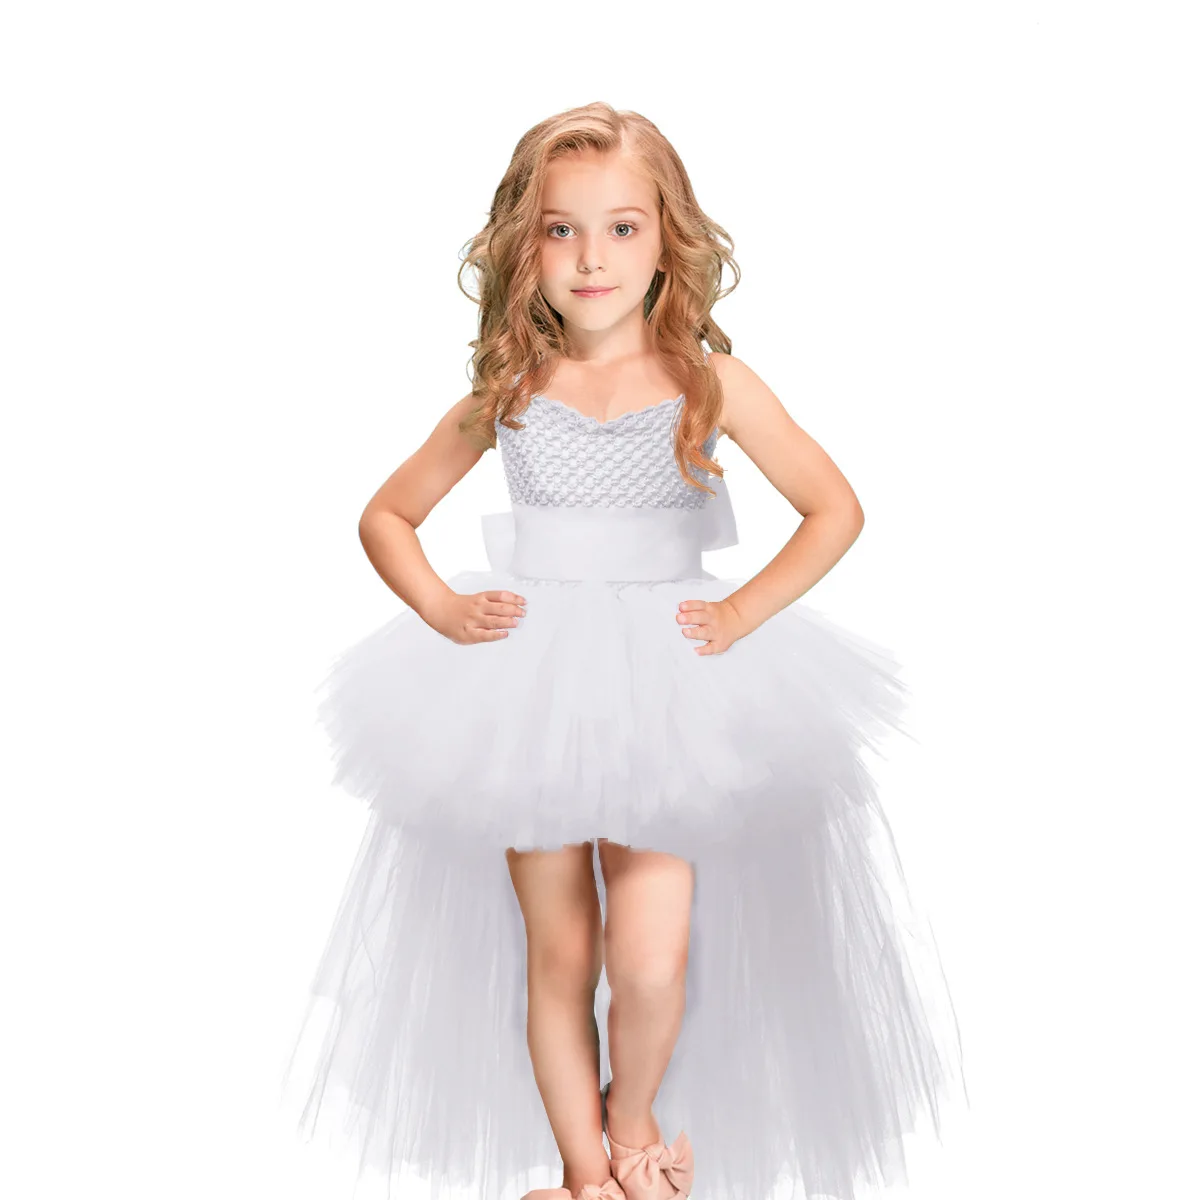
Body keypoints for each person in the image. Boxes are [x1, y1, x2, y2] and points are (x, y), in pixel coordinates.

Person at [281, 101, 966, 1200]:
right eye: (561, 230)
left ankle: (632, 1116)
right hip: (529, 685)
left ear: (667, 239)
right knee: (562, 953)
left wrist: (741, 615)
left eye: (622, 228)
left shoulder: (710, 383)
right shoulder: (507, 391)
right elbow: (386, 515)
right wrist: (443, 610)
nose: (591, 258)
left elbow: (834, 508)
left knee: (649, 959)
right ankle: (588, 1174)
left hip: (668, 688)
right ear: (525, 245)